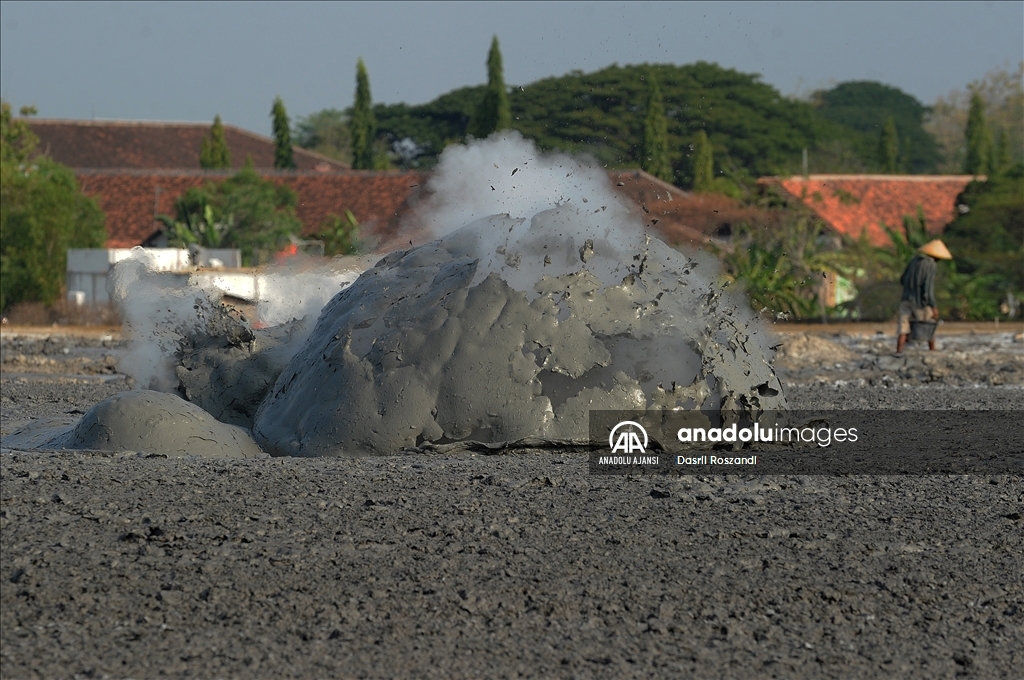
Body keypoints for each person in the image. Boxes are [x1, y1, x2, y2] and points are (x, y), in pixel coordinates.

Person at [896, 239, 952, 353]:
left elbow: (902, 279)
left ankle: (899, 350)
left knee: (903, 326)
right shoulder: (931, 265)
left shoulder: (913, 261)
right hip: (920, 302)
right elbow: (927, 288)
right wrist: (933, 305)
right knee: (929, 323)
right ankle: (932, 350)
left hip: (905, 299)